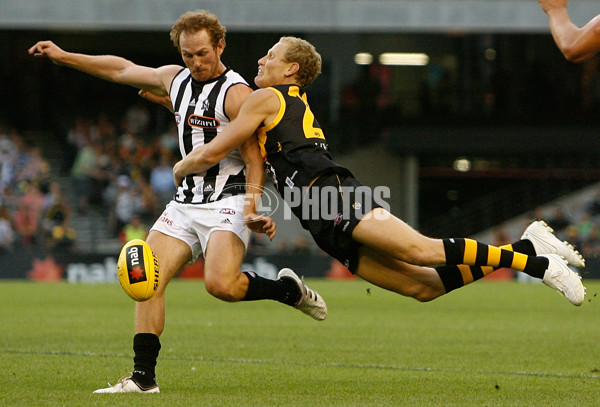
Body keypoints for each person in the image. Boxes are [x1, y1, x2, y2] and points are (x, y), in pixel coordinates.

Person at [170, 36, 586, 314]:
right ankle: (528, 243)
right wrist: (253, 205)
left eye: (272, 56)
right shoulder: (276, 100)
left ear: (292, 69)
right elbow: (251, 152)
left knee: (423, 251)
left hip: (330, 195)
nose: (261, 60)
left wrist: (184, 164)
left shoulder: (265, 96)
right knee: (425, 288)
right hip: (317, 215)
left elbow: (222, 145)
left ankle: (535, 264)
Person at [29, 10, 326, 394]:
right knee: (146, 279)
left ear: (220, 45)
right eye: (188, 55)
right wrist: (64, 55)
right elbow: (121, 69)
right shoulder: (176, 79)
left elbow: (255, 158)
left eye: (203, 53)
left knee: (221, 285)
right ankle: (142, 378)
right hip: (185, 202)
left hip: (229, 200)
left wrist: (253, 207)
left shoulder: (238, 93)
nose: (196, 62)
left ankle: (289, 292)